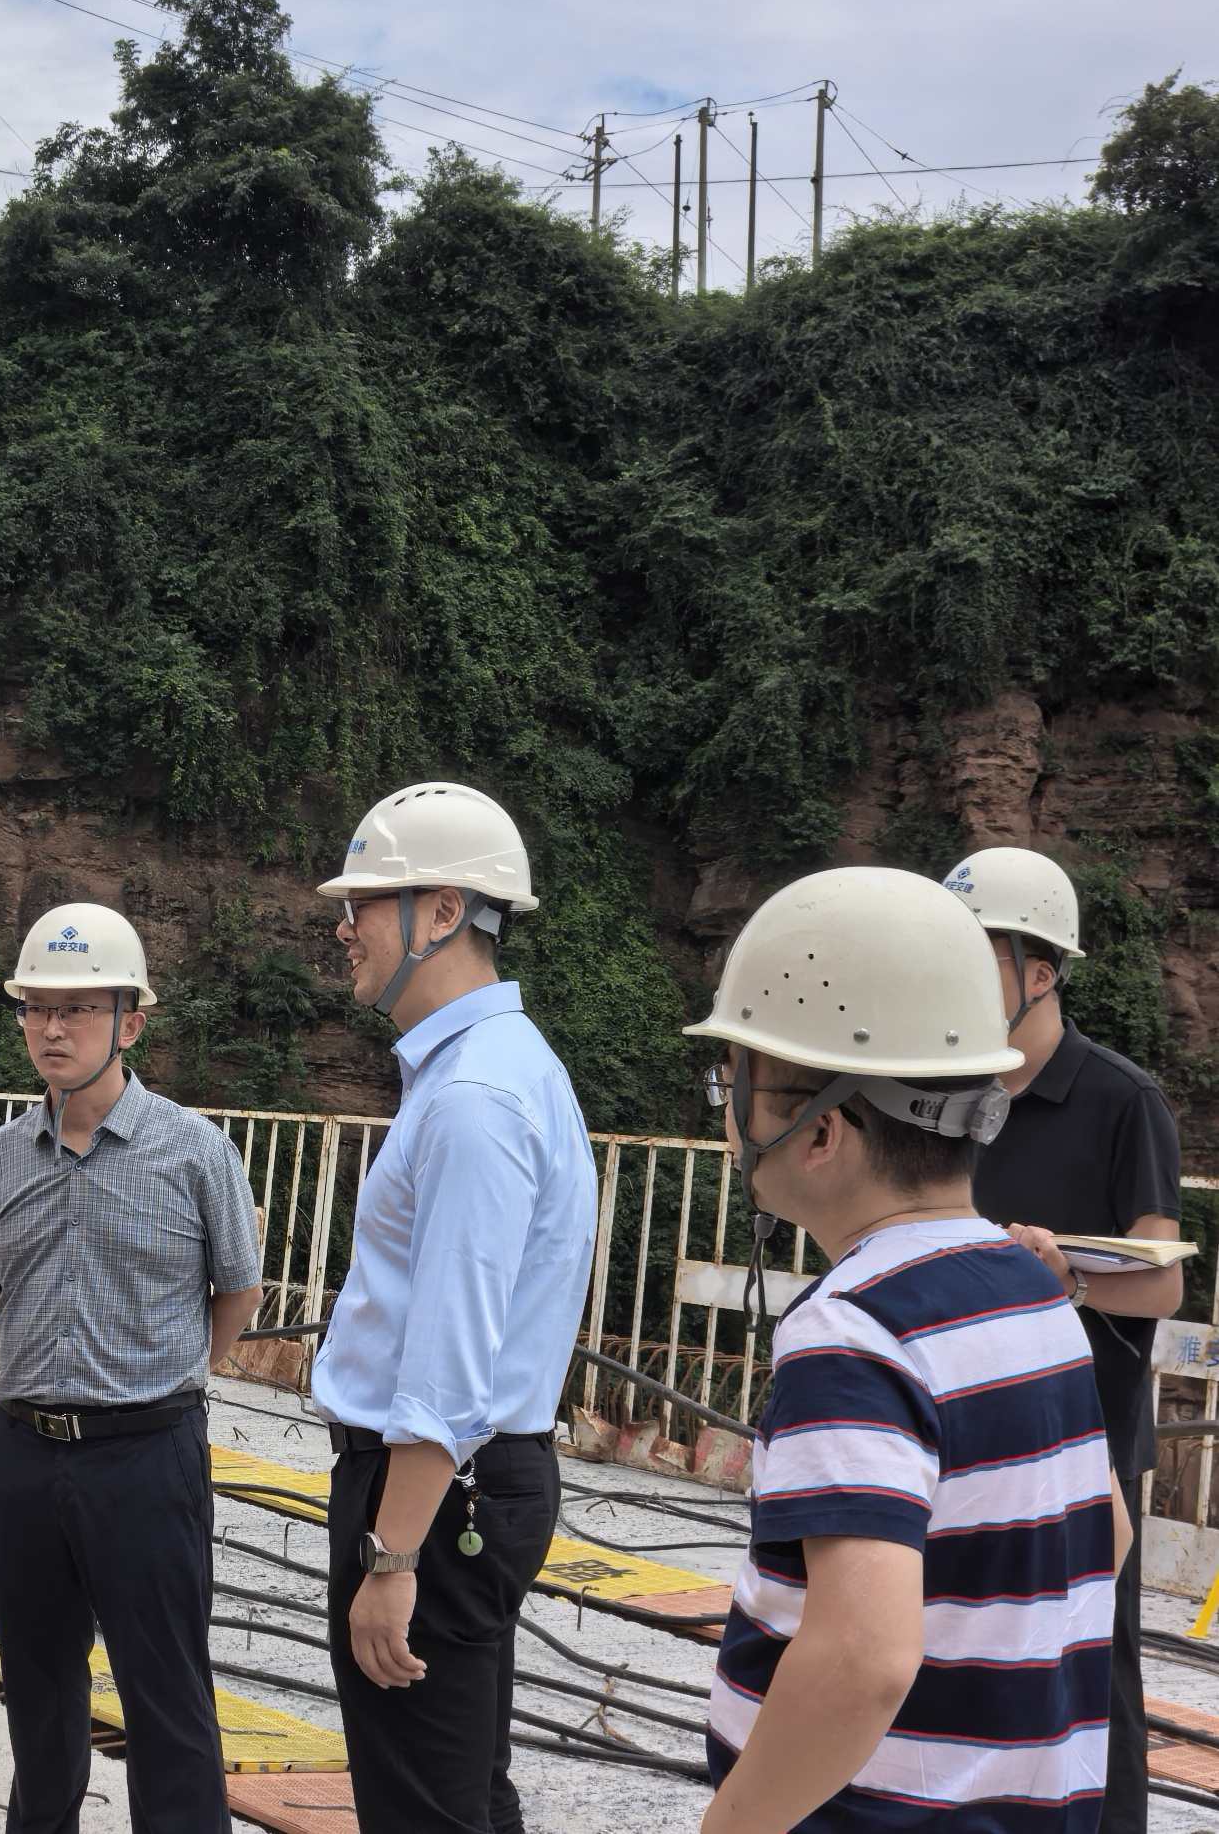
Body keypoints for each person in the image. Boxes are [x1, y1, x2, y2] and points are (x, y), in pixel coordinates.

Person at [692, 865, 1130, 1834]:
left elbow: (861, 1658)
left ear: (820, 1133)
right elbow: (1109, 1532)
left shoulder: (853, 1332)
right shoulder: (1033, 1291)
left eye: (738, 1081)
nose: (726, 1111)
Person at [307, 782, 594, 1834]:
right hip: (455, 1487)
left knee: (422, 1810)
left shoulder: (475, 1096)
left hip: (433, 1496)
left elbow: (450, 1354)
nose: (344, 929)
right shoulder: (487, 1069)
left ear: (440, 912)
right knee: (463, 1794)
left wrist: (390, 1558)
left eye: (363, 904)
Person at [0, 902, 264, 1834]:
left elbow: (237, 1294)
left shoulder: (195, 1151)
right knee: (37, 1694)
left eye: (80, 1009)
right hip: (23, 1454)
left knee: (166, 1698)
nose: (53, 1028)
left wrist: (163, 1384)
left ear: (131, 1022)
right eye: (37, 1008)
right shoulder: (1, 1156)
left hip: (146, 1457)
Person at [943, 846, 1181, 1834]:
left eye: (976, 955)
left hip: (1085, 1428)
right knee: (967, 1648)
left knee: (1090, 1660)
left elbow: (1162, 1280)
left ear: (1038, 972)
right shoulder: (950, 1087)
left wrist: (1069, 1281)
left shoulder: (1121, 1099)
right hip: (961, 1417)